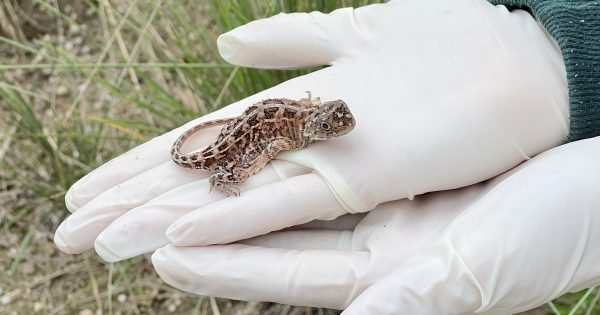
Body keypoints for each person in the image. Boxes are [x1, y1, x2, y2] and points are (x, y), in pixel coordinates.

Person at [54, 0, 600, 313]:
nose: (339, 127)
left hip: (278, 119)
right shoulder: (296, 132)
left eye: (335, 120)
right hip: (239, 140)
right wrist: (573, 36)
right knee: (233, 158)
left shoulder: (311, 123)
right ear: (314, 125)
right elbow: (269, 140)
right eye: (330, 123)